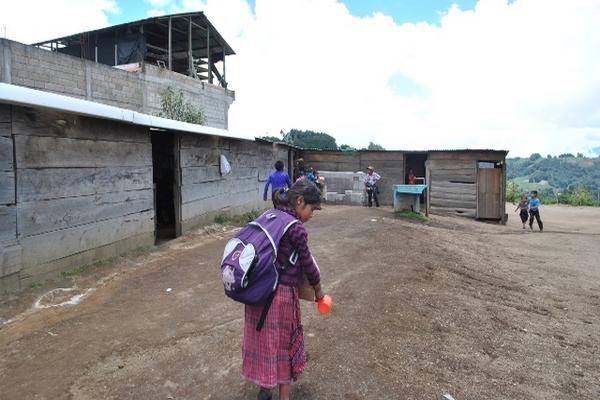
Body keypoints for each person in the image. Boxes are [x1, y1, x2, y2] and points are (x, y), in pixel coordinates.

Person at [242, 181, 326, 400]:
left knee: (263, 341)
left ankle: (265, 386)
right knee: (282, 345)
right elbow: (307, 263)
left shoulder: (269, 215)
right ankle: (284, 396)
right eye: (312, 209)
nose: (312, 215)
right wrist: (319, 291)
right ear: (299, 202)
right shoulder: (295, 227)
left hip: (258, 291)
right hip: (280, 298)